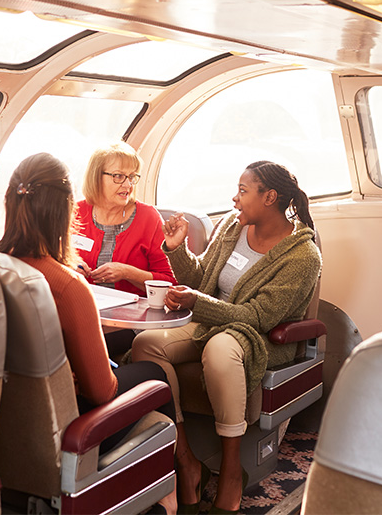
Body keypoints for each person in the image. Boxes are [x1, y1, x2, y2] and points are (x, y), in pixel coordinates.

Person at [132, 160, 322, 514]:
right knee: (146, 344)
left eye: (243, 191)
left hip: (260, 339)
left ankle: (231, 471)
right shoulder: (231, 226)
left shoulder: (303, 256)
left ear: (270, 197)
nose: (234, 199)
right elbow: (202, 276)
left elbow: (258, 318)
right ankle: (186, 460)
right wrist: (176, 249)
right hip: (210, 323)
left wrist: (198, 303)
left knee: (221, 349)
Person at [0, 153, 178, 514]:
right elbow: (101, 390)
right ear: (66, 212)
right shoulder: (67, 286)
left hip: (5, 424)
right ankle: (170, 495)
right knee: (155, 377)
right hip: (65, 425)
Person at [75, 142, 175, 294]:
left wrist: (127, 273)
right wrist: (70, 267)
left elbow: (170, 282)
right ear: (96, 177)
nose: (128, 185)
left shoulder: (149, 218)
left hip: (134, 312)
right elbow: (51, 263)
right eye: (119, 176)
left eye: (132, 177)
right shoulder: (76, 212)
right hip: (83, 304)